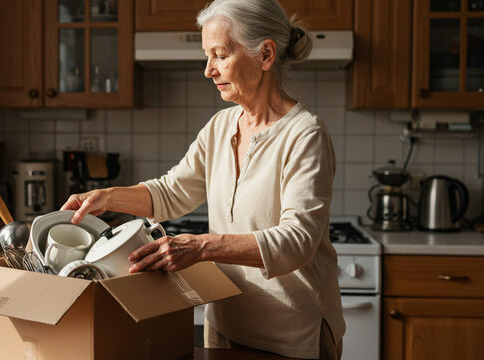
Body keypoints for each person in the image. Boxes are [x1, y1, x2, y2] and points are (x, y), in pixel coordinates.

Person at [61, 0, 344, 358]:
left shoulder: (305, 134)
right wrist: (107, 196)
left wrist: (199, 247)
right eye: (206, 56)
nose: (209, 70)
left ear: (266, 55)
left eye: (220, 55)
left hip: (293, 336)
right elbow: (171, 193)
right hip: (226, 327)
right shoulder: (221, 126)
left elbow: (296, 242)